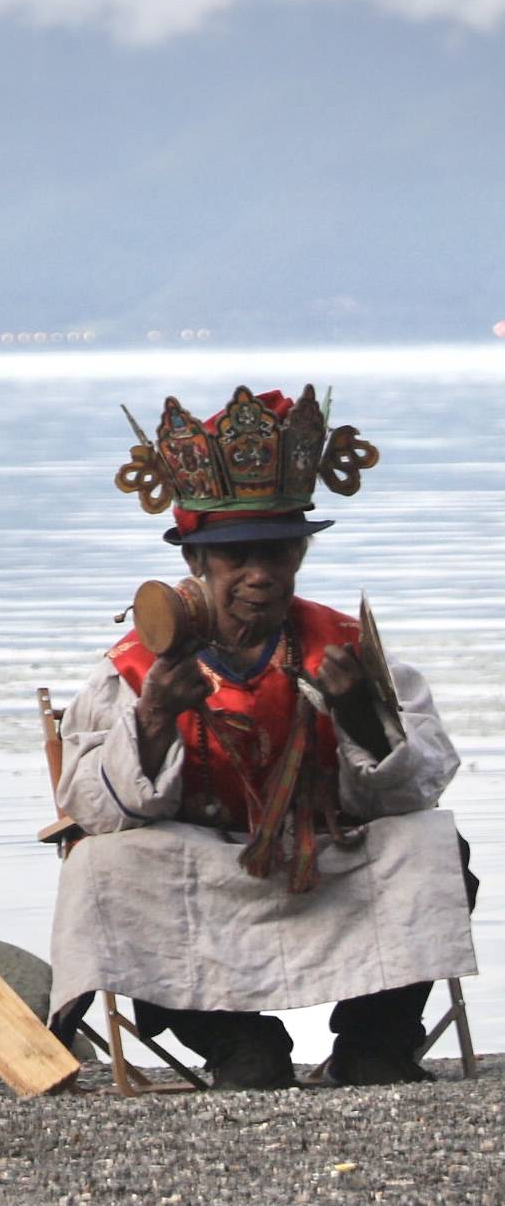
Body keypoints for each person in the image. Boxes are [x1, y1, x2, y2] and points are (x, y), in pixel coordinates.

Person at [49, 385, 475, 1089]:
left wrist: (359, 715)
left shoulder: (343, 645)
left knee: (432, 844)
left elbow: (421, 783)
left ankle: (373, 1043)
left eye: (276, 551)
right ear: (197, 564)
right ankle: (238, 1042)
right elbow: (92, 807)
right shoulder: (137, 664)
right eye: (237, 555)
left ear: (300, 555)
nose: (260, 574)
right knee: (101, 867)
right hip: (205, 870)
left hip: (321, 861)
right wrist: (153, 720)